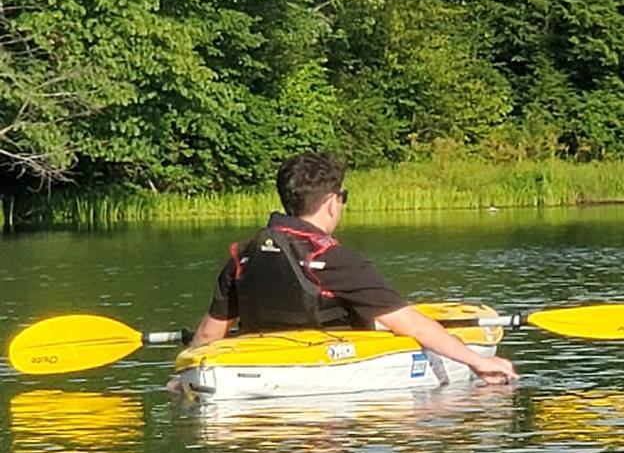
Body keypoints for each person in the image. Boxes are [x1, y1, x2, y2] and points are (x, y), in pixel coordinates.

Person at [188, 152, 517, 385]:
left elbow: (207, 335)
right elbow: (412, 324)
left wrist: (186, 374)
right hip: (315, 377)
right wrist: (478, 361)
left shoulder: (242, 255)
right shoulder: (336, 259)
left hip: (247, 372)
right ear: (332, 201)